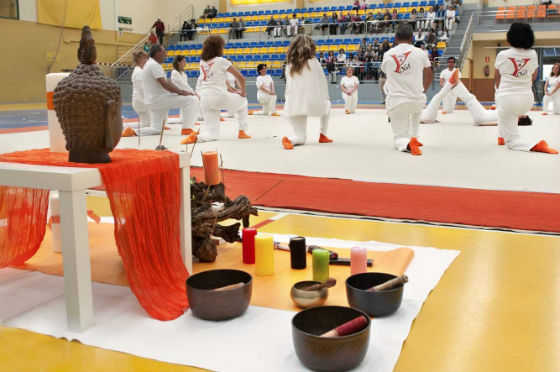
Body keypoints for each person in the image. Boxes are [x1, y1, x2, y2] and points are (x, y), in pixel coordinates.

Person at [494, 23, 557, 153]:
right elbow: (534, 75)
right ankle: (501, 137)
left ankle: (535, 145)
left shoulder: (503, 54)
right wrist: (523, 82)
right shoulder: (533, 54)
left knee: (512, 141)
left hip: (507, 98)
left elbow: (497, 77)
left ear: (510, 36)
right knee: (503, 112)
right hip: (527, 99)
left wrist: (500, 92)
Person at [183, 36, 251, 144]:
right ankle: (242, 131)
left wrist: (232, 90)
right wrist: (242, 92)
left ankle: (196, 138)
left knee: (212, 134)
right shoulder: (221, 61)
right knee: (243, 102)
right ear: (219, 47)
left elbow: (216, 79)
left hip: (205, 99)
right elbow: (241, 78)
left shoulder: (202, 62)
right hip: (219, 96)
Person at [122, 45, 198, 137]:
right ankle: (187, 129)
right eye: (164, 52)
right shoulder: (153, 65)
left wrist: (178, 90)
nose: (166, 54)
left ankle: (132, 131)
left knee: (156, 129)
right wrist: (182, 92)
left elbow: (165, 83)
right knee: (191, 100)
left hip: (153, 101)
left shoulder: (150, 65)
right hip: (159, 99)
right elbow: (165, 84)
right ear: (157, 54)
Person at [381, 24, 432, 155]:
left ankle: (408, 144)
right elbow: (429, 76)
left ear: (396, 38)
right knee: (415, 114)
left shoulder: (388, 54)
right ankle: (415, 138)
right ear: (412, 38)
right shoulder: (421, 53)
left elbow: (386, 73)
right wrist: (422, 90)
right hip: (418, 99)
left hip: (398, 101)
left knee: (399, 137)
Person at [282, 34, 333, 149]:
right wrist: (326, 97)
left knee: (300, 137)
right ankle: (323, 135)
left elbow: (288, 87)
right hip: (312, 103)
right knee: (328, 105)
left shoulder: (289, 65)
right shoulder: (314, 63)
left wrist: (288, 103)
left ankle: (290, 139)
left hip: (294, 104)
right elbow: (322, 82)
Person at [170, 55, 201, 133]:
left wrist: (192, 92)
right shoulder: (175, 72)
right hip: (177, 94)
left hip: (184, 93)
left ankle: (190, 121)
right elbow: (182, 84)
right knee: (193, 99)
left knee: (194, 100)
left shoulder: (183, 73)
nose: (185, 63)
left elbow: (185, 85)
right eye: (183, 61)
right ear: (178, 63)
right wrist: (192, 92)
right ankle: (187, 125)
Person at [122, 51, 150, 135]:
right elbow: (142, 89)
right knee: (148, 124)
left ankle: (124, 126)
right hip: (141, 101)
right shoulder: (138, 72)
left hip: (140, 100)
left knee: (146, 124)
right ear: (139, 59)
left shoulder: (140, 71)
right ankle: (124, 126)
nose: (147, 60)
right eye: (145, 58)